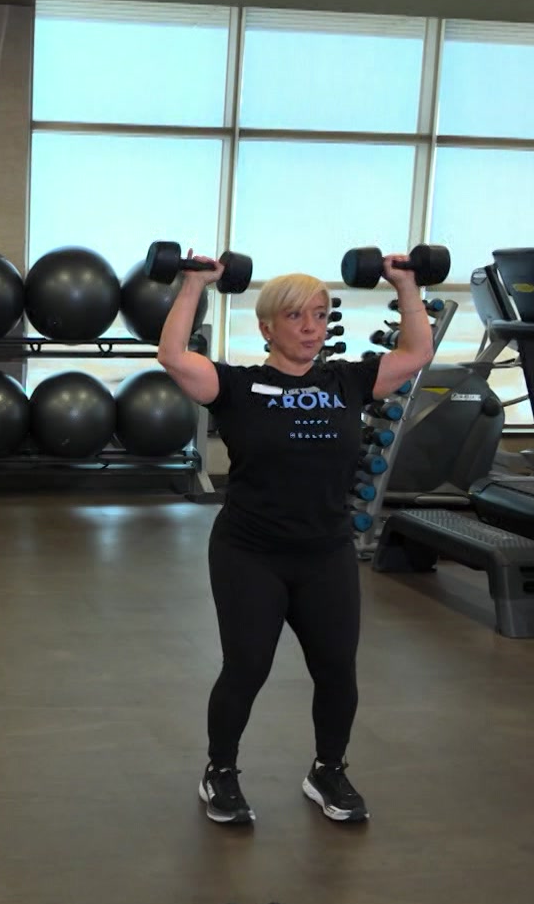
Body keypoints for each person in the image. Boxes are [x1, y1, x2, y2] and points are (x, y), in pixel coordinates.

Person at [155, 254, 433, 826]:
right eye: (295, 316)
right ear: (266, 327)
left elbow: (416, 353)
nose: (311, 327)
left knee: (337, 670)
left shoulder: (348, 381)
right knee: (247, 667)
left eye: (320, 315)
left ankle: (328, 769)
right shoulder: (235, 386)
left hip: (326, 553)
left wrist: (406, 283)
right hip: (250, 552)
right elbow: (173, 355)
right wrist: (194, 284)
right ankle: (220, 771)